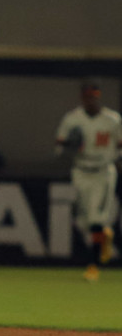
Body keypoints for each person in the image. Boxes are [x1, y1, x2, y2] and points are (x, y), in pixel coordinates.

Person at [55, 80, 122, 282]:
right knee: (83, 221)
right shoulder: (72, 119)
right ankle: (105, 235)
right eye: (87, 96)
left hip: (103, 172)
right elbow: (59, 148)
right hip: (81, 171)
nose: (90, 99)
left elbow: (120, 147)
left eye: (93, 96)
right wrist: (71, 145)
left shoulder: (112, 120)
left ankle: (93, 266)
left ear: (98, 96)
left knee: (95, 219)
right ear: (82, 97)